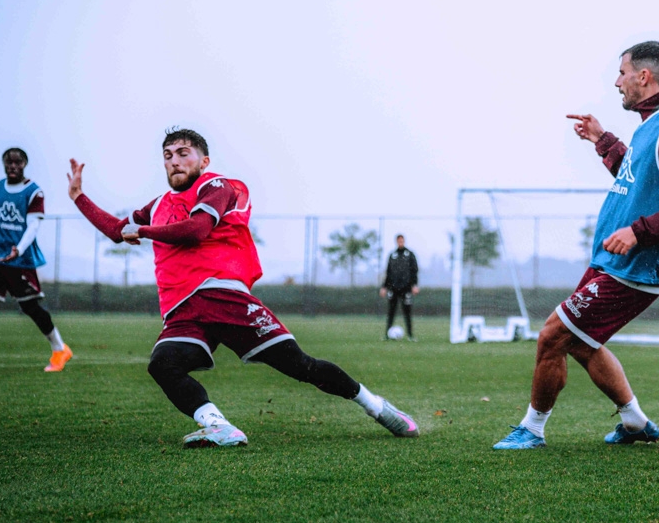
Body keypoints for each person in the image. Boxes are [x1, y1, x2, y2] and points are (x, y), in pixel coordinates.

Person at [69, 128, 418, 447]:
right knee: (163, 364)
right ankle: (219, 426)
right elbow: (117, 230)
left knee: (301, 366)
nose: (174, 161)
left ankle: (376, 406)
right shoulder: (158, 205)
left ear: (204, 161)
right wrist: (79, 197)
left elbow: (197, 229)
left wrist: (143, 231)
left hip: (223, 297)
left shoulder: (216, 187)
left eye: (183, 153)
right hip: (183, 309)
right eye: (168, 155)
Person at [493, 41, 659, 449]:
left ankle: (532, 429)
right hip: (614, 261)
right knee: (580, 341)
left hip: (638, 265)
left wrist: (638, 232)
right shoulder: (651, 123)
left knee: (553, 336)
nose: (617, 82)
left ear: (643, 76)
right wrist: (602, 139)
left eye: (622, 73)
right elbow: (636, 178)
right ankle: (635, 422)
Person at [0, 148, 71, 373]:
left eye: (17, 162)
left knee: (30, 307)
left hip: (19, 261)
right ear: (4, 164)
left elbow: (33, 226)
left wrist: (19, 249)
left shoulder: (34, 192)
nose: (13, 166)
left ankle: (60, 349)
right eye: (9, 162)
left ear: (25, 164)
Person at [381, 234, 419, 341]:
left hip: (406, 288)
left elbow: (414, 271)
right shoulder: (392, 255)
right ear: (396, 242)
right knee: (391, 312)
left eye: (402, 240)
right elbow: (388, 272)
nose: (400, 242)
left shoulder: (410, 255)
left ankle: (410, 335)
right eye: (399, 241)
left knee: (407, 312)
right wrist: (384, 287)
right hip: (393, 288)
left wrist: (414, 285)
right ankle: (387, 335)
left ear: (404, 241)